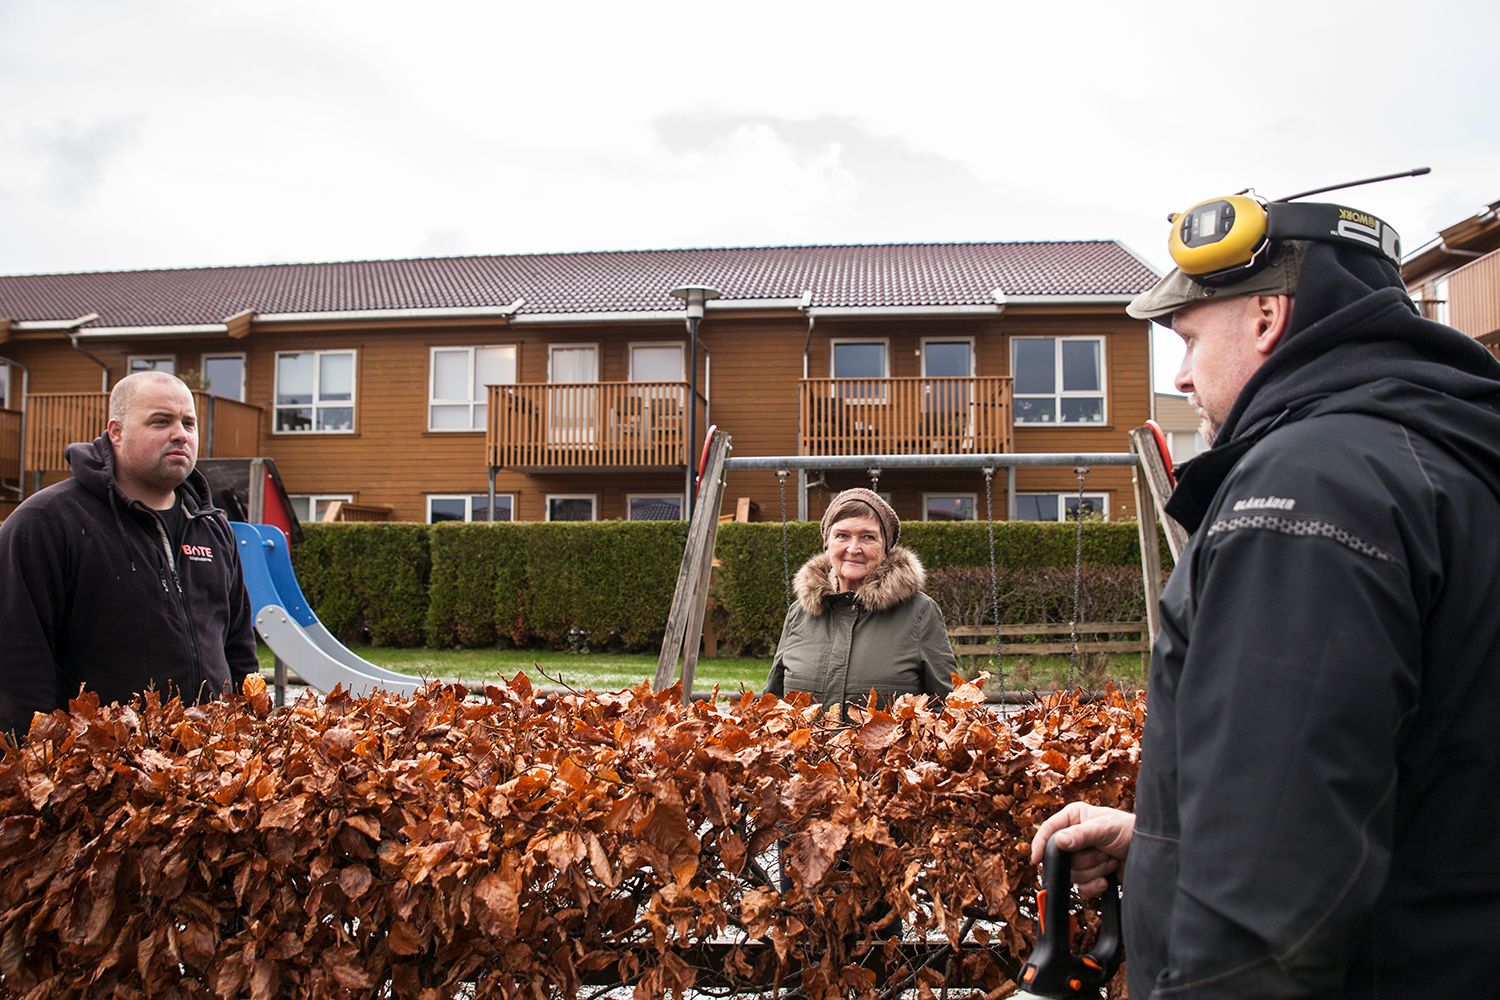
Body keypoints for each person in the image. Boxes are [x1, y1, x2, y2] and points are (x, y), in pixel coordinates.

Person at [1031, 213, 1500, 997]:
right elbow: (1417, 801)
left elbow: (1261, 917)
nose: (1180, 377)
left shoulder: (1309, 489)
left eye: (1187, 339)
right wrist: (1159, 847)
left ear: (1265, 316)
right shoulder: (1449, 456)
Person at [0, 370, 258, 739]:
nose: (180, 434)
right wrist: (36, 766)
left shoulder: (212, 527)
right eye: (160, 421)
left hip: (208, 766)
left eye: (189, 422)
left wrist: (248, 735)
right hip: (99, 773)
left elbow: (238, 647)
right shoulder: (47, 522)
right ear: (116, 432)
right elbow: (16, 659)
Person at [765, 488, 954, 709]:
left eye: (868, 537)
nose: (853, 549)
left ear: (886, 547)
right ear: (827, 543)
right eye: (842, 535)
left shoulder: (919, 613)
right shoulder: (800, 613)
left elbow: (946, 710)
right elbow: (772, 706)